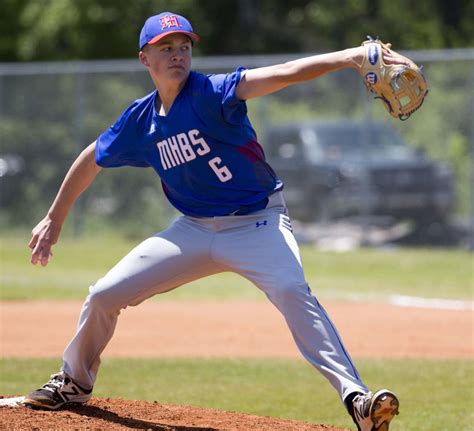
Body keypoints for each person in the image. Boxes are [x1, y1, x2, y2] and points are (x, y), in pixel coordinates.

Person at [23, 12, 402, 431]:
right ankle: (74, 381)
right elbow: (90, 159)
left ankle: (357, 400)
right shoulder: (140, 119)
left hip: (258, 221)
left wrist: (349, 56)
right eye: (165, 47)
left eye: (184, 46)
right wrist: (54, 218)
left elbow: (286, 73)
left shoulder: (213, 92)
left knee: (293, 290)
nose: (177, 54)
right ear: (144, 58)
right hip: (193, 229)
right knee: (103, 294)